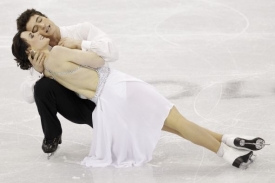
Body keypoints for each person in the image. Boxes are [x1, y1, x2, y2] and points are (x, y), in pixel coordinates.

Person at [12, 30, 267, 169]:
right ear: (30, 50)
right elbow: (100, 61)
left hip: (109, 105)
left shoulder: (45, 73)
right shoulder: (58, 51)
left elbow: (42, 87)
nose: (38, 33)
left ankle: (228, 139)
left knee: (172, 126)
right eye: (31, 36)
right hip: (120, 87)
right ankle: (229, 155)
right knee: (181, 123)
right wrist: (80, 45)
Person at [16, 9, 119, 155]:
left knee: (125, 135)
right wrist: (39, 73)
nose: (42, 27)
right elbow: (28, 95)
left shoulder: (81, 30)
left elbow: (112, 52)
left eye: (40, 20)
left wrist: (80, 43)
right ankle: (52, 136)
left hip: (104, 95)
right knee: (42, 86)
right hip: (80, 107)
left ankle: (113, 126)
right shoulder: (40, 53)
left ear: (46, 17)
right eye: (35, 30)